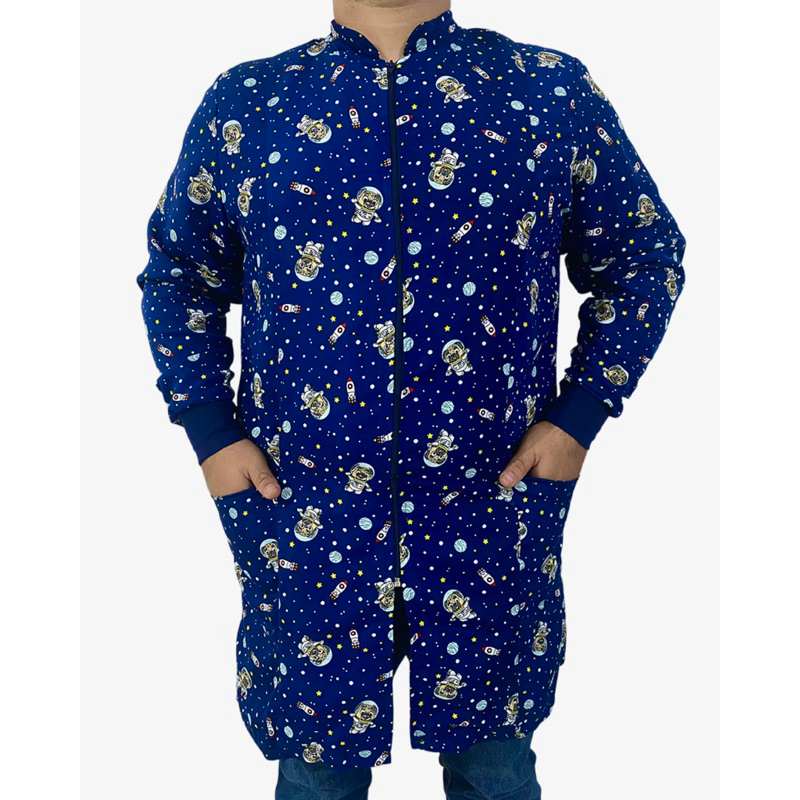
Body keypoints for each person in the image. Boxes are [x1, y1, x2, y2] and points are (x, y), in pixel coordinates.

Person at [135, 1, 687, 797]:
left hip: (490, 511)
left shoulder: (546, 91)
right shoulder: (250, 103)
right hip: (308, 515)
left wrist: (581, 414)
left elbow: (643, 257)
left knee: (494, 770)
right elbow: (179, 273)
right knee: (318, 774)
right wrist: (211, 432)